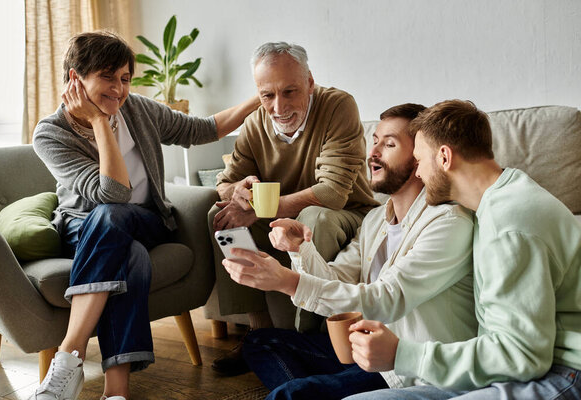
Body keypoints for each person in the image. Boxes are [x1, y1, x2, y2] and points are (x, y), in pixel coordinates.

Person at [30, 31, 260, 400]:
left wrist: (260, 99)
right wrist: (101, 122)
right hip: (82, 227)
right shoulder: (50, 133)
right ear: (75, 78)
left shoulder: (137, 108)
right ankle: (116, 392)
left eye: (125, 78)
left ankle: (68, 356)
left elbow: (204, 129)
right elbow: (112, 194)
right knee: (126, 248)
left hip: (146, 219)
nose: (119, 89)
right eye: (108, 77)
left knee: (114, 218)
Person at [222, 104, 479, 400]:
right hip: (362, 353)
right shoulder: (376, 219)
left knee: (292, 393)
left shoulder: (448, 222)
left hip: (404, 369)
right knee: (260, 342)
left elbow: (386, 299)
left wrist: (284, 281)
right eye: (375, 141)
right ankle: (326, 390)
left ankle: (312, 391)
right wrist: (300, 249)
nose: (373, 153)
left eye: (390, 144)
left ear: (421, 156)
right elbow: (339, 279)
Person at [345, 100, 581, 400]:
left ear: (444, 157)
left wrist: (403, 355)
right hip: (520, 369)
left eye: (420, 161)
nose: (417, 175)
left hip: (564, 373)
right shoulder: (498, 201)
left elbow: (524, 355)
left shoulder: (509, 223)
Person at [209, 42, 378, 374]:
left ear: (310, 83)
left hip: (347, 214)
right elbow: (224, 182)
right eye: (267, 95)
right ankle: (259, 331)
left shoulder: (338, 105)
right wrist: (239, 192)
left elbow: (332, 193)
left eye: (289, 92)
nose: (278, 106)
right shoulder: (256, 122)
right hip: (281, 217)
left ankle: (307, 339)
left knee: (314, 217)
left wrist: (260, 209)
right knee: (222, 217)